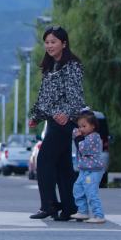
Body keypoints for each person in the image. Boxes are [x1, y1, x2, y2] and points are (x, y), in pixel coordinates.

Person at [28, 25, 86, 221]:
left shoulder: (72, 66)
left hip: (64, 123)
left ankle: (49, 205)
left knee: (44, 160)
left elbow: (77, 97)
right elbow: (44, 97)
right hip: (52, 121)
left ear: (64, 43)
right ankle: (69, 207)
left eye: (53, 42)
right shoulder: (49, 66)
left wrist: (67, 114)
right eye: (47, 42)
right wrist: (35, 116)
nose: (49, 46)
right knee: (63, 166)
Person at [71, 110, 106, 223]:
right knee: (78, 188)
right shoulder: (85, 136)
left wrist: (78, 138)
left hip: (93, 170)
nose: (81, 129)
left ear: (93, 126)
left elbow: (83, 149)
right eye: (79, 126)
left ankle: (99, 215)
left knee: (91, 191)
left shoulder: (94, 137)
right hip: (84, 169)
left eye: (84, 126)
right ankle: (83, 211)